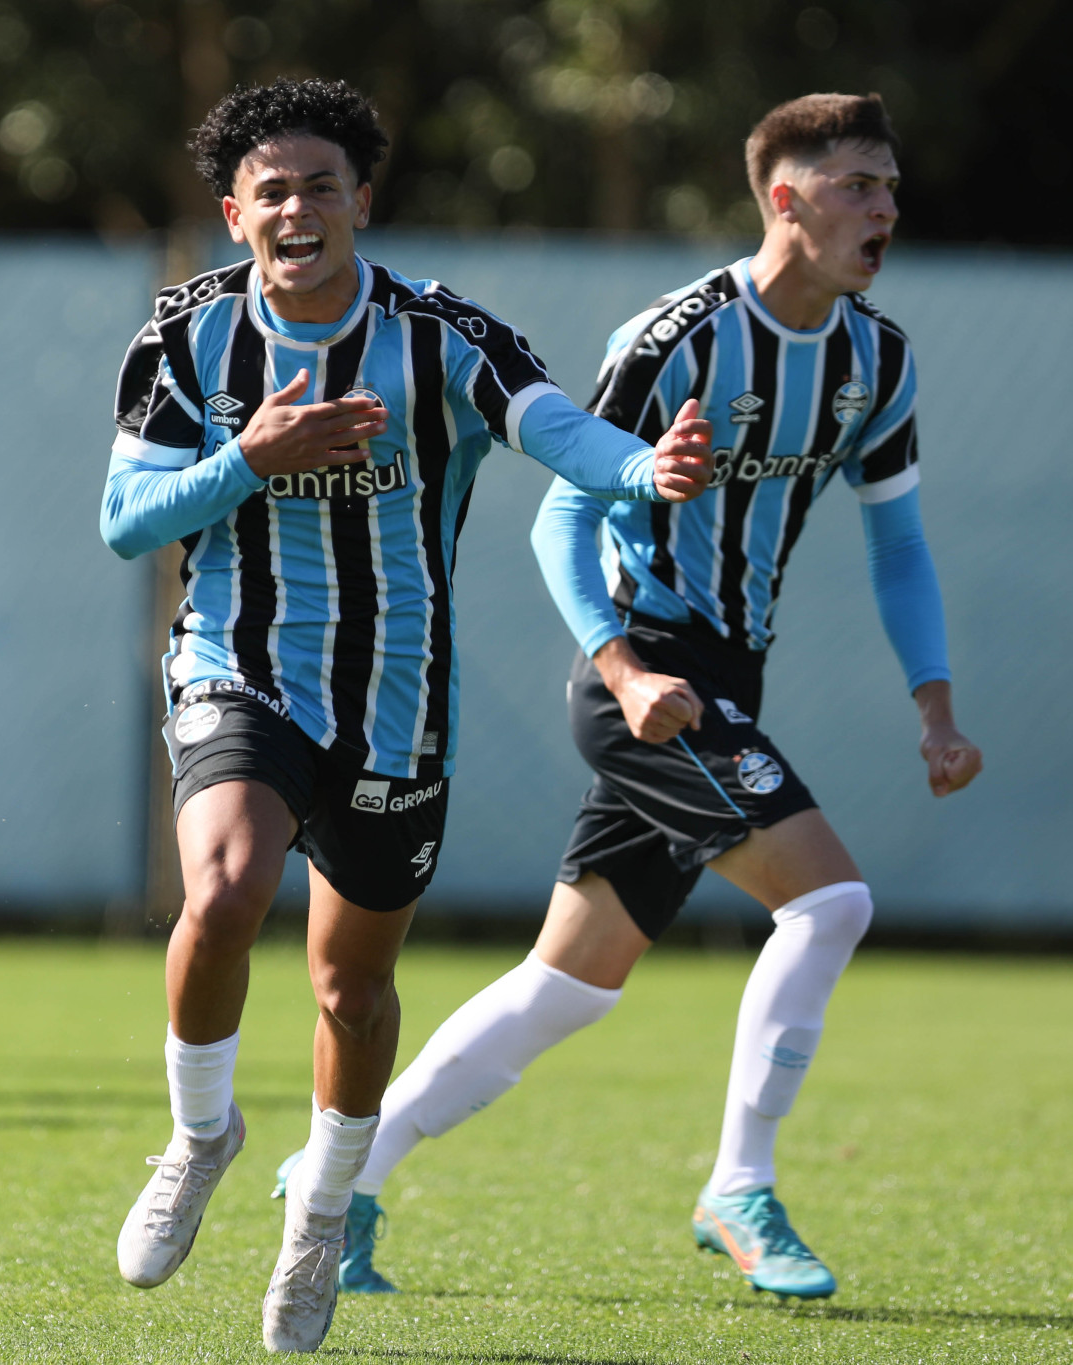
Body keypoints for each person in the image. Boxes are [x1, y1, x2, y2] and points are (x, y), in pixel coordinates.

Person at [285, 93, 984, 1303]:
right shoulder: (680, 336)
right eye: (856, 184)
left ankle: (330, 1188)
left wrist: (932, 702)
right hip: (643, 672)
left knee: (565, 987)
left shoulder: (876, 357)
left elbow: (900, 546)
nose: (882, 207)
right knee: (829, 904)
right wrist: (621, 667)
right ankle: (739, 1187)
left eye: (887, 184)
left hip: (719, 677)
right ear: (784, 198)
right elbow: (564, 510)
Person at [101, 79, 712, 1354]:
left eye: (322, 184)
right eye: (271, 189)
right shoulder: (186, 339)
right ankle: (199, 1136)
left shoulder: (441, 335)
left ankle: (320, 1210)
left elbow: (560, 435)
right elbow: (125, 526)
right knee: (220, 890)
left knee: (350, 987)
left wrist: (642, 467)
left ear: (361, 202)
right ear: (234, 214)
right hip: (239, 663)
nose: (297, 207)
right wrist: (251, 459)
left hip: (393, 702)